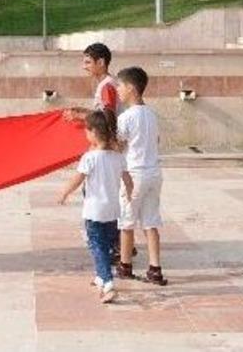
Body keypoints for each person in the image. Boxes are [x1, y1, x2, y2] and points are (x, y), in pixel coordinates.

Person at [57, 109, 133, 304]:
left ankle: (107, 282)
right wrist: (130, 194)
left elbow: (77, 179)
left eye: (86, 130)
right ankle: (101, 276)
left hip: (94, 212)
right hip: (113, 211)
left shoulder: (89, 158)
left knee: (96, 245)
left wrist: (65, 192)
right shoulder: (118, 158)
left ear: (92, 133)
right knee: (106, 245)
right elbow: (128, 179)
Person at [114, 66, 167, 286]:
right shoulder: (152, 114)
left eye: (120, 86)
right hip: (154, 173)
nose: (117, 90)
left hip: (134, 175)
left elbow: (119, 145)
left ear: (131, 88)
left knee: (126, 223)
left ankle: (125, 266)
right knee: (150, 222)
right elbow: (156, 141)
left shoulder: (126, 117)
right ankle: (155, 269)